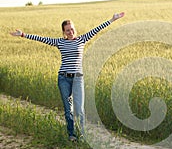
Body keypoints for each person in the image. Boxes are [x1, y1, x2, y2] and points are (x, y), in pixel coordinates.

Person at [10, 12, 125, 141]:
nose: (70, 32)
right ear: (64, 32)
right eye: (67, 30)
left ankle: (83, 134)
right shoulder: (60, 42)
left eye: (72, 29)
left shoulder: (82, 39)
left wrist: (112, 19)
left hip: (77, 78)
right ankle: (71, 135)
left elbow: (97, 29)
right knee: (68, 109)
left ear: (74, 29)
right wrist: (23, 34)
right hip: (64, 78)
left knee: (79, 108)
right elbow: (42, 39)